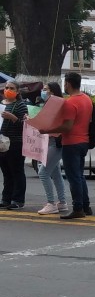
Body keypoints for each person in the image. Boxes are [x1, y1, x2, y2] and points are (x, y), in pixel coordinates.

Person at [40, 72, 92, 219]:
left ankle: (78, 208)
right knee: (79, 175)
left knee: (74, 176)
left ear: (68, 84)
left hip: (71, 142)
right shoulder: (86, 99)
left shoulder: (70, 102)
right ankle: (86, 205)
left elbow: (67, 127)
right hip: (83, 141)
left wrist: (47, 130)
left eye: (65, 83)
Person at [36, 82, 68, 215]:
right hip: (50, 141)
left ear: (53, 91)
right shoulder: (47, 105)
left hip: (56, 142)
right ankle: (62, 202)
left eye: (46, 89)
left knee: (43, 172)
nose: (43, 92)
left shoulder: (59, 105)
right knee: (55, 173)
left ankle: (51, 203)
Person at [0, 80, 29, 209]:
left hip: (16, 143)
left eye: (11, 88)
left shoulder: (20, 105)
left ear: (17, 91)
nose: (8, 90)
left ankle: (18, 200)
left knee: (17, 171)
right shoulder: (2, 104)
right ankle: (6, 199)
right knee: (6, 172)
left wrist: (13, 118)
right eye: (6, 87)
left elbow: (25, 126)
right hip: (2, 143)